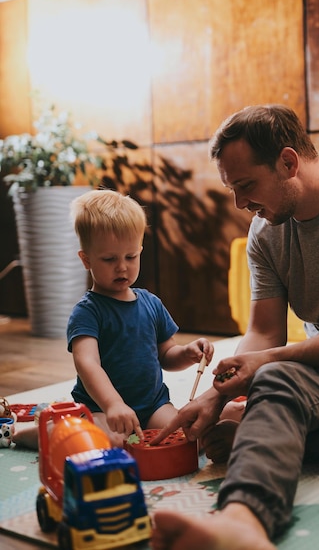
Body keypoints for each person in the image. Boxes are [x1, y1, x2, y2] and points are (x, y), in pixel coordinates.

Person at [149, 104, 319, 550]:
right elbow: (264, 335)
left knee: (273, 373)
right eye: (232, 190)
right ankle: (243, 520)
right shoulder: (265, 232)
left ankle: (275, 438)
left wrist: (265, 365)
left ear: (288, 162)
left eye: (246, 185)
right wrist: (218, 394)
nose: (240, 204)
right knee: (276, 379)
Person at [65, 188, 214, 447]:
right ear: (86, 260)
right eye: (110, 259)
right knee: (109, 442)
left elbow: (166, 355)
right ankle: (45, 432)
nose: (122, 266)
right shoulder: (87, 312)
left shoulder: (151, 303)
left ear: (140, 251)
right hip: (102, 408)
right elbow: (87, 364)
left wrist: (188, 353)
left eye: (131, 256)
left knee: (189, 437)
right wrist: (113, 404)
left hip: (153, 405)